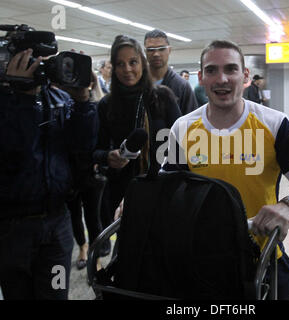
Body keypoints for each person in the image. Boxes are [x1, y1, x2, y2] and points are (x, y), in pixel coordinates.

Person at [163, 40, 289, 300]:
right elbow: (166, 185)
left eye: (231, 69)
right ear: (201, 77)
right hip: (200, 261)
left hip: (263, 259)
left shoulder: (274, 123)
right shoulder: (182, 128)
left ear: (245, 75)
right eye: (212, 70)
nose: (222, 79)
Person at [0, 49, 98, 299]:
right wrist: (22, 98)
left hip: (57, 222)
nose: (37, 68)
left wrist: (82, 101)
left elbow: (82, 148)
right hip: (12, 227)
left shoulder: (59, 100)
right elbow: (13, 154)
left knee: (56, 293)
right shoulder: (5, 104)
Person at [93, 35, 181, 231]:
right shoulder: (106, 105)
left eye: (133, 62)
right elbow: (96, 151)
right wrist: (109, 157)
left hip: (163, 189)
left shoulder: (162, 97)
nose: (127, 69)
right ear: (114, 69)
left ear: (142, 62)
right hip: (123, 194)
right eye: (120, 64)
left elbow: (181, 145)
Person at [67, 71, 105, 270]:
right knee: (74, 215)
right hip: (68, 172)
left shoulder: (95, 106)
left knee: (92, 216)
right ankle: (82, 246)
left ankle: (95, 257)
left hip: (91, 171)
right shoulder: (61, 104)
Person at [144, 29, 198, 115]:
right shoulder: (138, 83)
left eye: (161, 49)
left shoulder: (182, 86)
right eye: (151, 49)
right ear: (145, 52)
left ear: (169, 50)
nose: (156, 54)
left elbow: (192, 123)